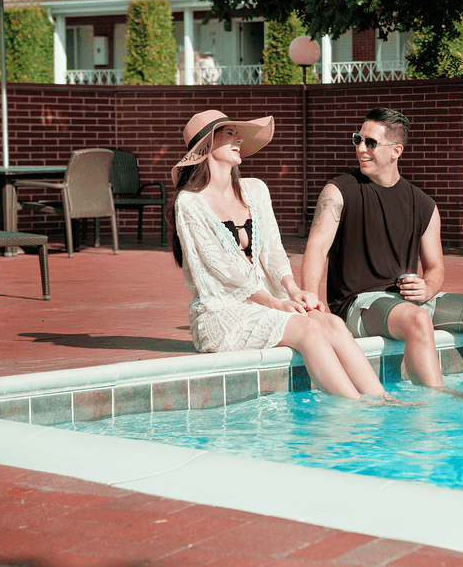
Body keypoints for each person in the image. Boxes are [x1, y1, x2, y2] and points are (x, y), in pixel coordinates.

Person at [168, 109, 394, 402]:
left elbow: (273, 251)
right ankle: (355, 405)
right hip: (222, 313)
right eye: (230, 133)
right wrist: (275, 303)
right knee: (308, 330)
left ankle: (383, 399)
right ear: (207, 145)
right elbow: (221, 270)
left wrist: (293, 290)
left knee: (331, 323)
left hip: (267, 301)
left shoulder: (255, 190)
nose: (238, 139)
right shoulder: (190, 203)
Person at [299, 107, 463, 389]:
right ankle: (434, 404)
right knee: (418, 320)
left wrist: (428, 288)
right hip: (358, 304)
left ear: (396, 150)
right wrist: (311, 303)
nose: (361, 148)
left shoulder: (424, 205)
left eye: (370, 142)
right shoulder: (339, 191)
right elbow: (317, 247)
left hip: (406, 302)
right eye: (358, 139)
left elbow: (435, 268)